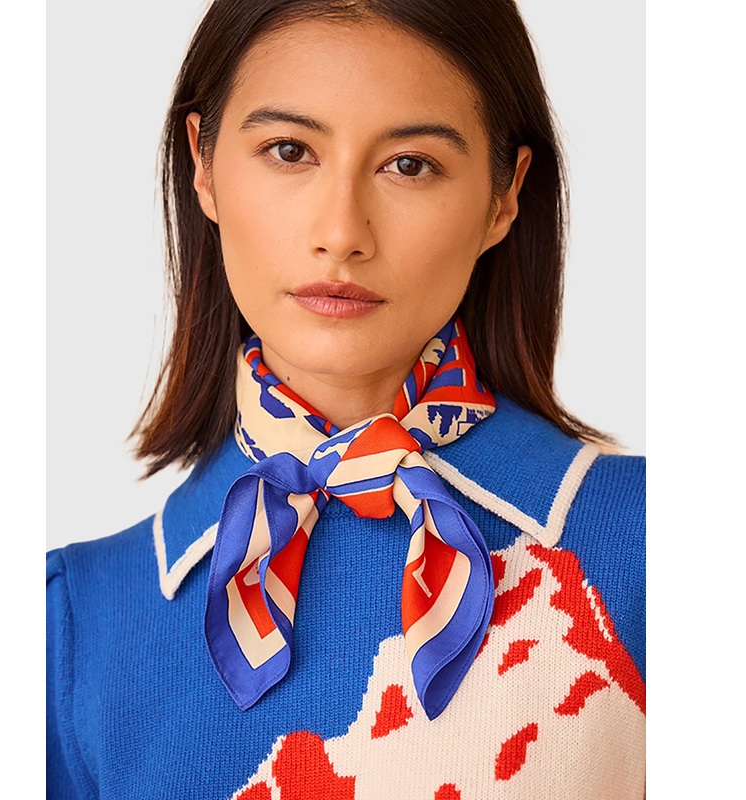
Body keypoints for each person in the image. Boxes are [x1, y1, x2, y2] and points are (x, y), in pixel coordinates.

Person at [46, 0, 645, 797]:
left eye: (410, 165)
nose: (342, 232)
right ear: (204, 164)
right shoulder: (75, 628)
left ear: (504, 196)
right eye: (289, 151)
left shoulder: (663, 547)